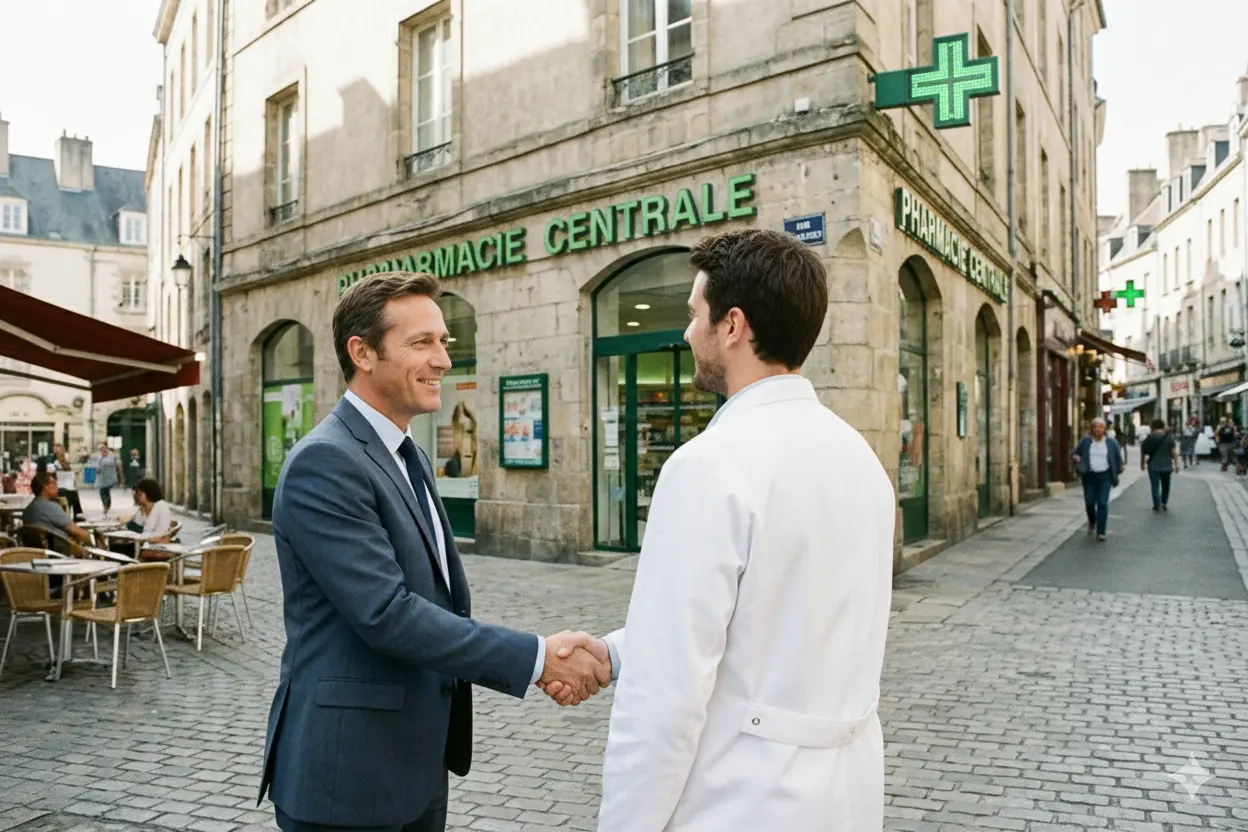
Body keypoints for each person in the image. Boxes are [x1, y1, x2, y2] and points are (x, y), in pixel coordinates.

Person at [543, 229, 895, 830]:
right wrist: (619, 651)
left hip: (740, 801)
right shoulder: (859, 456)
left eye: (693, 314)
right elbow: (773, 620)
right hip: (846, 801)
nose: (686, 333)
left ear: (732, 326)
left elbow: (666, 699)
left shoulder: (709, 465)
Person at [257, 271, 609, 832]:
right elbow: (387, 613)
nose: (443, 359)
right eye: (422, 343)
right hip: (347, 776)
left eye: (444, 341)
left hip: (416, 765)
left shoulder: (406, 453)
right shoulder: (324, 462)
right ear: (362, 352)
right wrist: (539, 657)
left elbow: (439, 599)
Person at [1072, 417, 1124, 541]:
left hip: (1104, 476)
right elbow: (1075, 453)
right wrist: (1076, 458)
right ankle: (1092, 521)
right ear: (1092, 429)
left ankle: (1101, 532)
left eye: (1101, 427)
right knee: (1089, 502)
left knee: (1102, 503)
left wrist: (1120, 466)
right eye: (1096, 427)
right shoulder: (1085, 441)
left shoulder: (1111, 442)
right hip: (1089, 475)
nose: (1098, 429)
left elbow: (1118, 458)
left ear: (1105, 429)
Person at [21, 471, 91, 547]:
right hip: (61, 552)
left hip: (38, 552)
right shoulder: (50, 507)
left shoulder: (27, 510)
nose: (57, 487)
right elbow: (79, 533)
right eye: (54, 484)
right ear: (46, 487)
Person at [1139, 419, 1178, 511]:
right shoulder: (1169, 437)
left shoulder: (1149, 437)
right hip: (1167, 465)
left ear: (1152, 426)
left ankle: (1157, 504)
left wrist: (1142, 463)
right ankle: (1164, 502)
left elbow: (1143, 451)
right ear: (1163, 426)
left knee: (1155, 485)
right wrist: (1176, 464)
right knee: (1166, 485)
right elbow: (1174, 452)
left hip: (1153, 465)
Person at [94, 443, 123, 514]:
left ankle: (106, 506)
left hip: (110, 477)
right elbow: (97, 468)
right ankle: (106, 506)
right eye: (101, 449)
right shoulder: (99, 458)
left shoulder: (113, 456)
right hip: (102, 478)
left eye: (103, 448)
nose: (102, 450)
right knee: (104, 491)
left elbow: (118, 465)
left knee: (104, 491)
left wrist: (121, 477)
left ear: (106, 448)